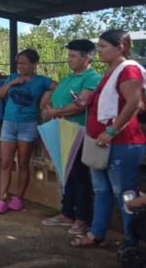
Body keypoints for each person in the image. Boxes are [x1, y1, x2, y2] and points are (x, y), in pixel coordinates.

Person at [71, 29, 145, 248]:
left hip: (121, 142)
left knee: (124, 194)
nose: (99, 51)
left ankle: (131, 242)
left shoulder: (128, 70)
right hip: (100, 141)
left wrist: (111, 131)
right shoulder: (112, 71)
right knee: (101, 191)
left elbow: (134, 103)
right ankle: (97, 234)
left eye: (103, 47)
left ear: (120, 47)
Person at [40, 40, 101, 234]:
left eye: (74, 56)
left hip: (79, 131)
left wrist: (54, 111)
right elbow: (55, 97)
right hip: (64, 128)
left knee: (79, 175)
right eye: (69, 56)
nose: (69, 60)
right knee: (67, 173)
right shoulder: (68, 78)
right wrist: (50, 108)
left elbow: (81, 104)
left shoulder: (92, 77)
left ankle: (82, 217)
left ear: (88, 57)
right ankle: (67, 212)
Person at [0, 49, 56, 214]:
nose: (20, 66)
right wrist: (12, 83)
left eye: (24, 63)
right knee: (6, 162)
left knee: (23, 162)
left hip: (27, 124)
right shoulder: (13, 77)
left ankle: (18, 198)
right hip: (9, 123)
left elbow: (59, 86)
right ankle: (1, 198)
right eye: (18, 63)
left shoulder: (41, 81)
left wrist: (47, 94)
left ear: (34, 64)